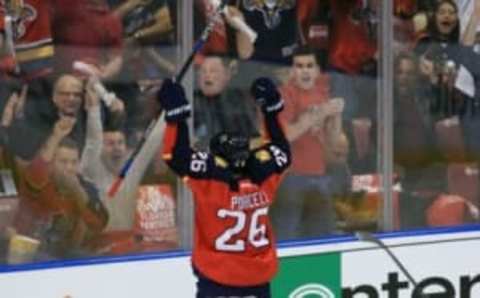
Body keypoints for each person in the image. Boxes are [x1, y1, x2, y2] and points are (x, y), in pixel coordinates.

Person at [159, 77, 290, 297]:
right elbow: (281, 148)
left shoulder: (211, 179)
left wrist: (177, 116)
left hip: (217, 275)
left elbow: (175, 155)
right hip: (258, 276)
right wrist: (271, 109)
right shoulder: (266, 175)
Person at [273, 46, 344, 239]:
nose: (305, 70)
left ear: (317, 71)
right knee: (287, 237)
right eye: (299, 66)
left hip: (319, 176)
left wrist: (336, 116)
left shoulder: (322, 94)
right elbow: (285, 135)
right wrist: (318, 115)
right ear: (292, 71)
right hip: (290, 177)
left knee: (322, 237)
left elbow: (332, 142)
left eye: (309, 65)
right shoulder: (283, 95)